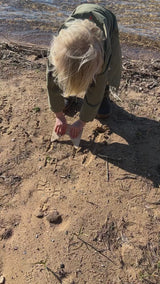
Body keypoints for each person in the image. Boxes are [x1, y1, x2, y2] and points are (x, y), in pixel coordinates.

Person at [47, 3, 122, 139]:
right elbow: (51, 82)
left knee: (107, 71)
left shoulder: (102, 55)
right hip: (80, 13)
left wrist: (82, 121)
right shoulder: (57, 50)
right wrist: (58, 115)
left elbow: (97, 86)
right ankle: (67, 92)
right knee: (64, 73)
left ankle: (105, 96)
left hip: (107, 21)